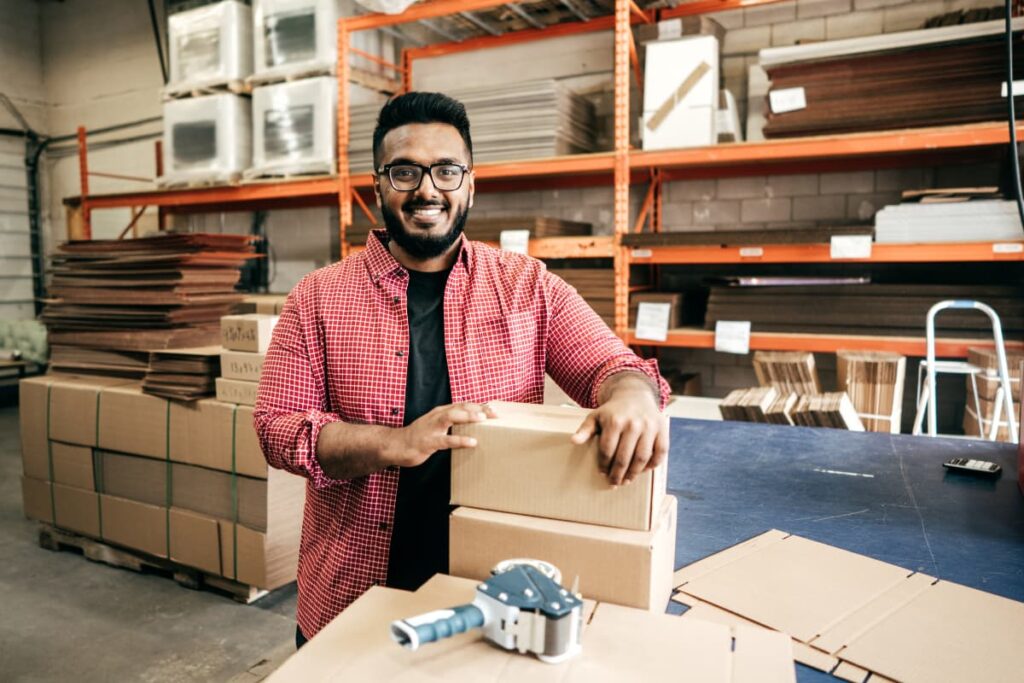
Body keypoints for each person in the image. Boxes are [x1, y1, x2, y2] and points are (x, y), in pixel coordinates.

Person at [254, 91, 671, 648]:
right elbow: (276, 427)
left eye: (446, 171)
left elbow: (613, 365)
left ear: (470, 184)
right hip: (348, 598)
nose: (427, 189)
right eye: (405, 171)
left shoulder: (527, 288)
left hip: (489, 599)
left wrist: (634, 397)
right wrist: (392, 443)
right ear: (377, 186)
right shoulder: (317, 298)